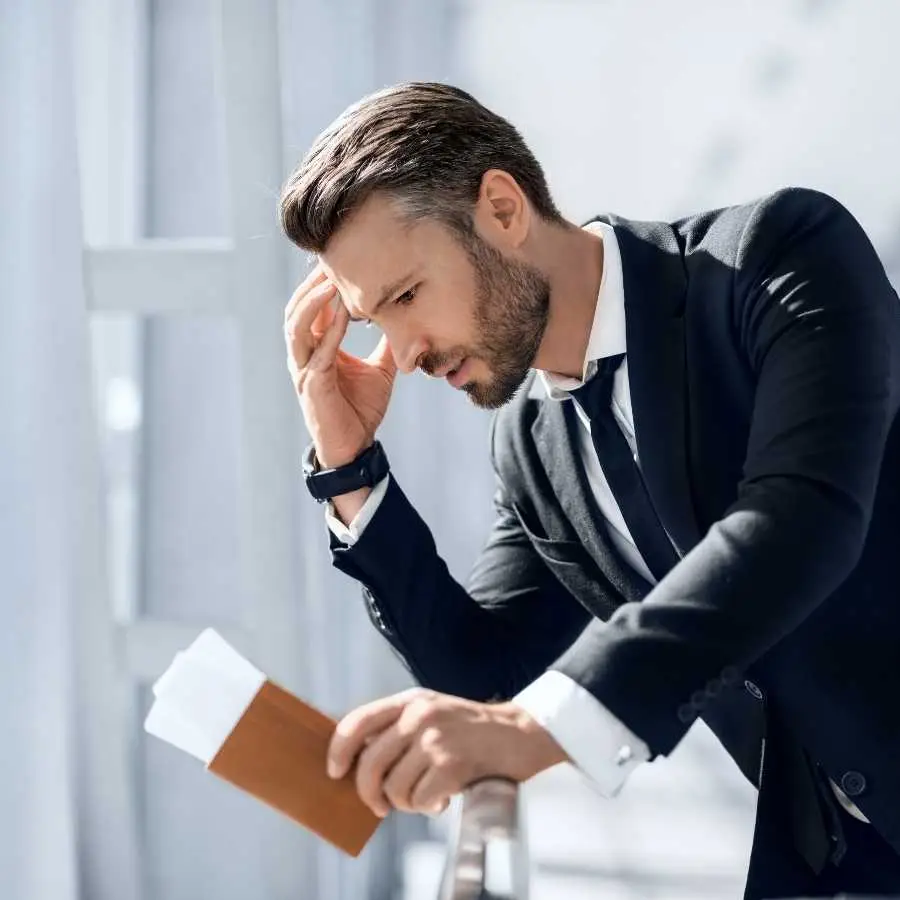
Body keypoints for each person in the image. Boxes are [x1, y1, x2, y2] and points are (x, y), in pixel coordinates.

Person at [279, 82, 900, 899]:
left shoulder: (775, 256)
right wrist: (350, 464)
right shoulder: (532, 447)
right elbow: (484, 680)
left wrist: (545, 728)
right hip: (836, 857)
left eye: (405, 297)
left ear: (502, 208)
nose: (401, 352)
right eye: (373, 322)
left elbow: (798, 523)